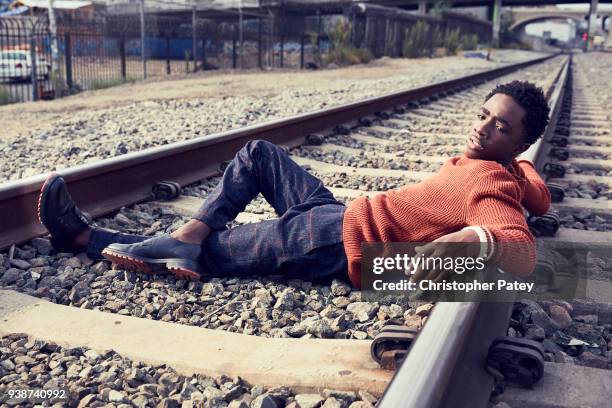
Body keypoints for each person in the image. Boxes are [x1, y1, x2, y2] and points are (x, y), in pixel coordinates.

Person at [37, 80, 551, 288]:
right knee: (260, 154)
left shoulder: (490, 183)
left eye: (501, 127)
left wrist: (471, 240)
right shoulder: (507, 169)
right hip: (338, 213)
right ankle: (188, 235)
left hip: (334, 244)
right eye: (485, 114)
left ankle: (82, 238)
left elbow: (518, 247)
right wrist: (524, 166)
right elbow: (535, 192)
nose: (483, 127)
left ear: (515, 142)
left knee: (222, 250)